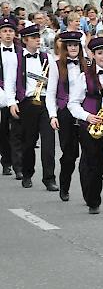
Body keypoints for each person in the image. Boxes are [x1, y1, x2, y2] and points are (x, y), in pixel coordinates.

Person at [66, 37, 103, 217]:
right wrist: (87, 116)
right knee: (94, 166)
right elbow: (73, 103)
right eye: (100, 53)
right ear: (93, 55)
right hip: (91, 126)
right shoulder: (84, 77)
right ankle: (93, 201)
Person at [5, 24, 58, 190]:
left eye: (38, 37)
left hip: (45, 101)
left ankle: (49, 178)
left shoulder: (46, 57)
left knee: (48, 144)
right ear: (25, 40)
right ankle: (27, 173)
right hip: (27, 103)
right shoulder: (16, 58)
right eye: (34, 38)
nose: (38, 40)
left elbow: (53, 80)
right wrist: (11, 102)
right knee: (29, 142)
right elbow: (9, 82)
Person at [46, 31, 86, 202]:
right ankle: (64, 186)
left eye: (75, 45)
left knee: (89, 155)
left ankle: (90, 194)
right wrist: (52, 115)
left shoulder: (87, 64)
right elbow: (51, 92)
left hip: (85, 112)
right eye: (69, 45)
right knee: (70, 154)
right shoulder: (56, 65)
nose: (73, 48)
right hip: (65, 113)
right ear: (64, 47)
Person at [0, 17, 20, 178]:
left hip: (17, 96)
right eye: (4, 31)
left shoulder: (20, 52)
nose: (8, 34)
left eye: (10, 31)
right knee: (3, 131)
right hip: (1, 96)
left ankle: (18, 165)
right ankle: (6, 162)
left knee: (18, 132)